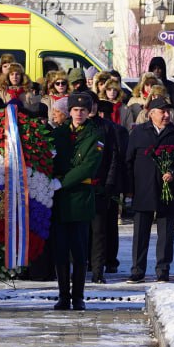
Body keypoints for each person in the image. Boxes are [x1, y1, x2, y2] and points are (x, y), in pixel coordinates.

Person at [124, 97, 174, 284]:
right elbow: (128, 162)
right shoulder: (139, 133)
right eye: (161, 111)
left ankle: (163, 270)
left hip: (167, 190)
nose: (166, 115)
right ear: (151, 114)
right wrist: (130, 188)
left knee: (165, 232)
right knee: (140, 233)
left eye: (167, 111)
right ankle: (137, 270)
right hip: (143, 188)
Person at [50, 92, 104, 310]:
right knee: (61, 250)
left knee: (79, 251)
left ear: (89, 111)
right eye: (75, 110)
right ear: (69, 112)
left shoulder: (95, 135)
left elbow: (88, 166)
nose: (79, 113)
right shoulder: (59, 134)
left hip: (80, 196)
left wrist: (62, 182)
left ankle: (78, 296)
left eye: (83, 110)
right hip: (61, 200)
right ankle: (63, 295)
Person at [90, 96, 127, 282]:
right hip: (90, 185)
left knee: (106, 227)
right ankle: (95, 262)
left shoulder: (113, 129)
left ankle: (107, 261)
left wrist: (112, 184)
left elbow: (117, 157)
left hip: (107, 185)